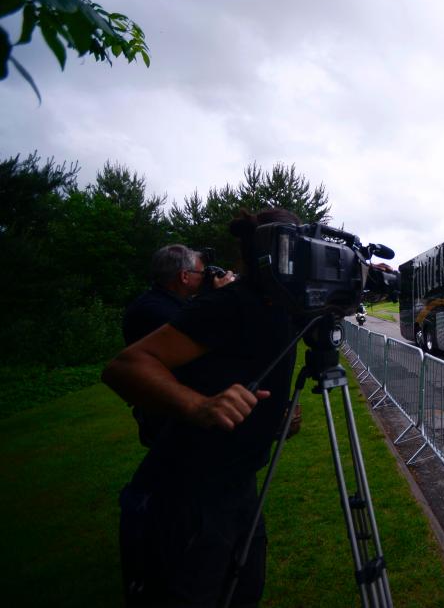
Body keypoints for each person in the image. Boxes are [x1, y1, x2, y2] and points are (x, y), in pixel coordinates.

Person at [103, 208, 302, 607]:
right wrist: (199, 405)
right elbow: (124, 367)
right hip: (190, 491)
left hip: (238, 480)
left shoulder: (279, 305)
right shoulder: (229, 303)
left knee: (243, 590)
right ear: (270, 252)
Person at [122, 245, 237, 446]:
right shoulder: (156, 312)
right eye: (202, 273)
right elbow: (204, 344)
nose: (205, 278)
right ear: (184, 276)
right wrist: (219, 298)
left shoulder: (159, 303)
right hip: (173, 417)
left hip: (174, 411)